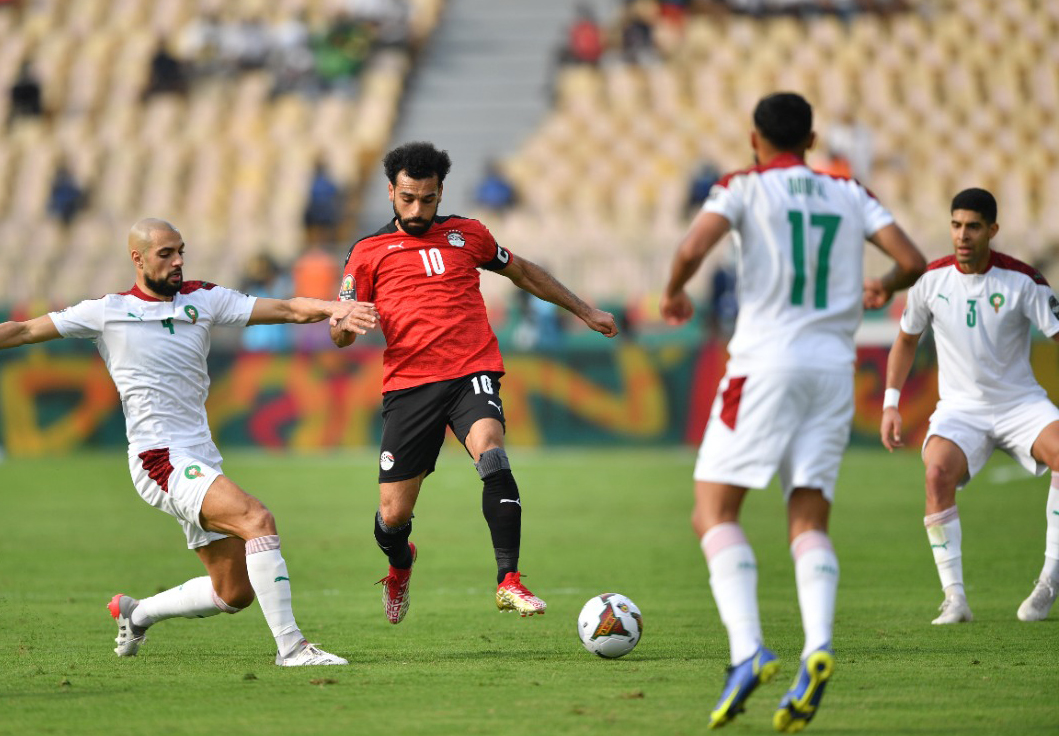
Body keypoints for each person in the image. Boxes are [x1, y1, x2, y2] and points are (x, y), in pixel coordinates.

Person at [0, 218, 379, 667]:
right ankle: (293, 649)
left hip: (200, 455)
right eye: (166, 254)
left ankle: (136, 613)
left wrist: (331, 308)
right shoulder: (108, 311)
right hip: (158, 458)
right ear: (137, 260)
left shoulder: (203, 299)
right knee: (257, 519)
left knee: (233, 592)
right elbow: (23, 330)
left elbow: (286, 309)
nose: (178, 261)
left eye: (181, 251)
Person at [659, 92, 926, 731]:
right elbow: (912, 261)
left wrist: (672, 293)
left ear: (755, 139)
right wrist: (883, 286)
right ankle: (819, 647)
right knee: (808, 516)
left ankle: (748, 649)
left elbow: (695, 247)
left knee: (712, 510)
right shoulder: (847, 191)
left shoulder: (743, 186)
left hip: (763, 365)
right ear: (810, 141)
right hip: (834, 371)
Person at [331, 141, 617, 625]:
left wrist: (584, 311)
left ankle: (509, 581)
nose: (417, 209)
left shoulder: (470, 235)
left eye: (427, 198)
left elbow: (522, 271)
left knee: (492, 450)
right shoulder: (366, 252)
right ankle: (401, 564)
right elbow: (338, 332)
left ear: (441, 192)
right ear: (390, 192)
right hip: (409, 386)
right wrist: (346, 323)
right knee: (392, 517)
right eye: (407, 199)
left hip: (471, 370)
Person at [880, 188, 1059, 626]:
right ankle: (955, 599)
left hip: (1020, 403)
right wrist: (890, 403)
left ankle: (1051, 578)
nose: (963, 235)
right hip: (960, 409)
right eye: (957, 225)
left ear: (992, 231)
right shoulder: (931, 282)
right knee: (936, 471)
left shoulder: (1024, 281)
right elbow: (905, 340)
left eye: (973, 226)